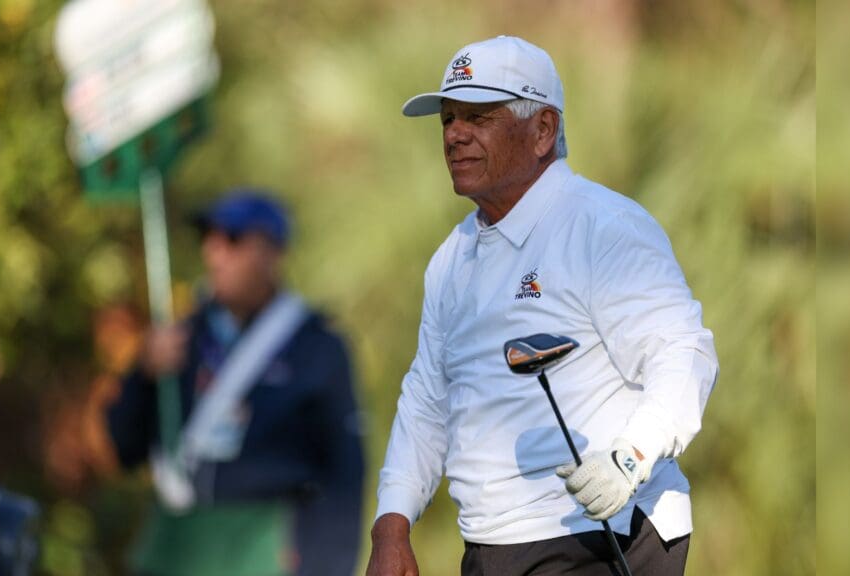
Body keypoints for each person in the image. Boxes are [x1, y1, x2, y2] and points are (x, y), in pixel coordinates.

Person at [366, 36, 718, 576]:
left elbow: (683, 353)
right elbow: (427, 402)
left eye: (479, 116)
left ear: (543, 130)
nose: (455, 134)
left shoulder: (603, 227)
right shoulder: (451, 259)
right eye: (448, 118)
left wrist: (630, 459)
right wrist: (391, 525)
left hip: (604, 533)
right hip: (491, 545)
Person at [106, 191, 364, 576]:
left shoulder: (317, 348)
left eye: (232, 238)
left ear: (272, 252)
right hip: (178, 547)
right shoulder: (179, 339)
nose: (213, 253)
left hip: (267, 549)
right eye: (208, 238)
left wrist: (329, 566)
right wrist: (143, 375)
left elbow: (345, 472)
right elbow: (124, 449)